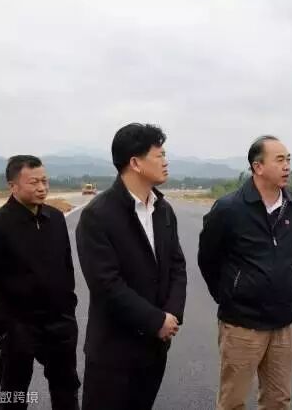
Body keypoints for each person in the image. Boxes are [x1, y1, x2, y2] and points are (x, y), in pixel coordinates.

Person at [76, 123, 187, 410]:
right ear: (135, 163)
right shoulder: (97, 216)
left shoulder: (163, 210)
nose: (165, 161)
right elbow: (106, 284)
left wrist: (172, 315)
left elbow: (177, 266)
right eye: (159, 155)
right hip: (113, 353)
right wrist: (155, 320)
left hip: (154, 348)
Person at [198, 135, 292, 410]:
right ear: (258, 167)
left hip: (282, 321)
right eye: (279, 160)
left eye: (288, 160)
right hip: (242, 323)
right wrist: (230, 294)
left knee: (278, 400)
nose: (287, 166)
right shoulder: (229, 208)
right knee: (233, 401)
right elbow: (208, 259)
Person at [0, 155, 80, 409]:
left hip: (59, 324)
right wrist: (6, 327)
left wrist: (68, 311)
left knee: (67, 390)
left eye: (45, 181)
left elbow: (66, 268)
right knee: (14, 394)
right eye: (34, 182)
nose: (42, 188)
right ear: (13, 186)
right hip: (19, 327)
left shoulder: (56, 219)